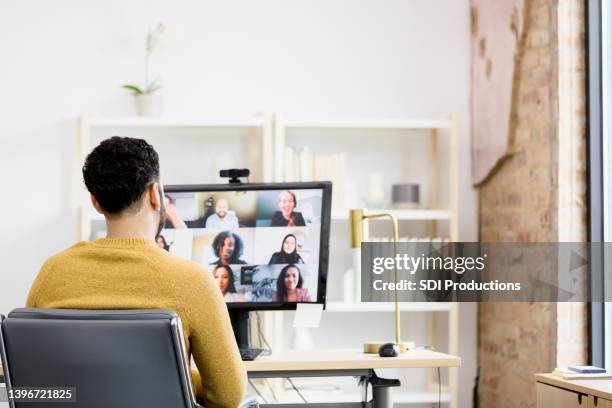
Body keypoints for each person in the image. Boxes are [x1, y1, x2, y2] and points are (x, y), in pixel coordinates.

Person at [26, 136, 246, 408]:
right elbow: (227, 396)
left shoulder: (53, 272)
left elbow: (34, 382)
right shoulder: (193, 280)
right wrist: (170, 375)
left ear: (95, 202)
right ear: (155, 194)